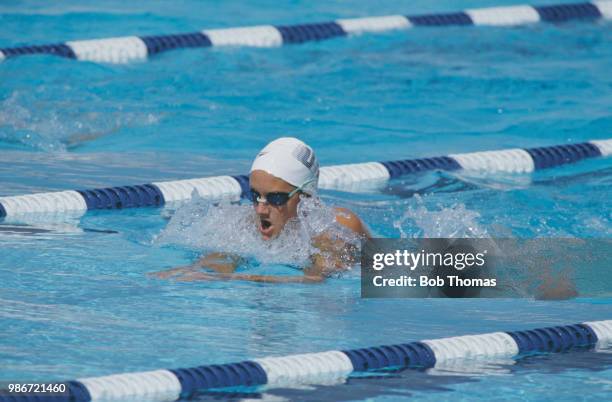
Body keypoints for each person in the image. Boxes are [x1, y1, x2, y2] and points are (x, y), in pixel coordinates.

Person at [151, 137, 370, 283]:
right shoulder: (247, 222)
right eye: (255, 195)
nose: (260, 209)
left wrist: (231, 280)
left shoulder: (335, 228)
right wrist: (195, 270)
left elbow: (314, 281)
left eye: (275, 198)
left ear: (305, 197)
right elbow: (224, 257)